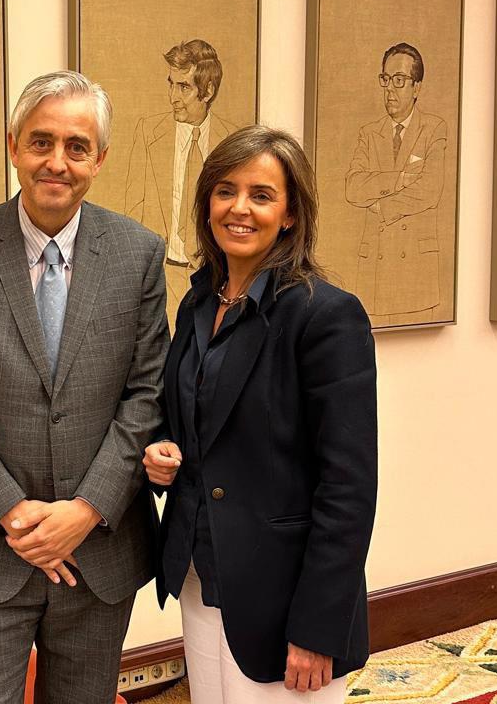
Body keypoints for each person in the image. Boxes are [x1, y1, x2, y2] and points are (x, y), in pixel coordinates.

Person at [0, 70, 168, 704]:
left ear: (99, 159)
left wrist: (86, 510)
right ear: (13, 146)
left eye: (77, 147)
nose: (57, 162)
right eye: (41, 141)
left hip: (98, 551)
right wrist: (14, 512)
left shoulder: (138, 253)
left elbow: (147, 392)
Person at [144, 125, 378, 702]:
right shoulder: (198, 302)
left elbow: (348, 487)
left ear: (291, 214)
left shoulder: (326, 316)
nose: (239, 208)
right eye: (225, 191)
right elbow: (195, 418)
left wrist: (318, 628)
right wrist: (163, 447)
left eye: (261, 195)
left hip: (286, 595)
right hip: (200, 571)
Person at [125, 39, 238, 302]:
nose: (173, 97)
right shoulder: (148, 132)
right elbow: (133, 209)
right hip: (161, 277)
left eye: (184, 87)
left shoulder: (232, 141)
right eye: (171, 84)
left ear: (207, 91)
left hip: (217, 279)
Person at [345, 42, 447, 317]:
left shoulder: (434, 129)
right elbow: (353, 187)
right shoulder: (369, 133)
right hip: (374, 266)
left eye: (399, 80)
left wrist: (381, 206)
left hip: (415, 266)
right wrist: (401, 178)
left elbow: (429, 189)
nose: (389, 88)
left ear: (417, 88)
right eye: (386, 79)